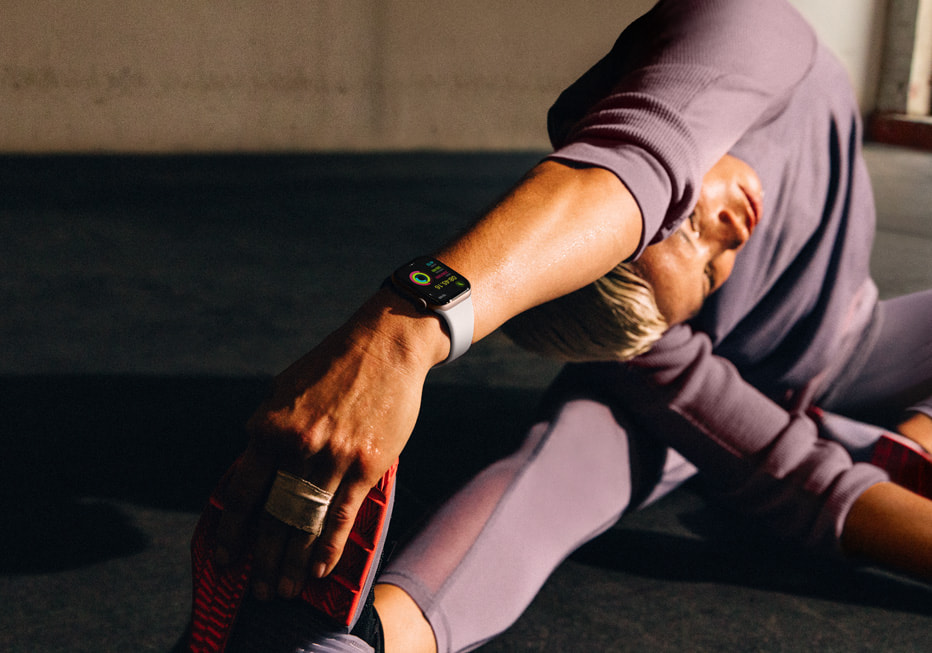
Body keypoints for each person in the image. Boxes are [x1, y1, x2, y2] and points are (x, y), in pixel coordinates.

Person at [185, 1, 932, 651]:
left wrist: (398, 335)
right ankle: (359, 642)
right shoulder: (637, 331)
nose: (729, 233)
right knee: (565, 459)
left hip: (858, 342)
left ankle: (914, 437)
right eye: (707, 276)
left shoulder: (737, 27)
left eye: (688, 226)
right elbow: (801, 478)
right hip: (716, 379)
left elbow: (629, 163)